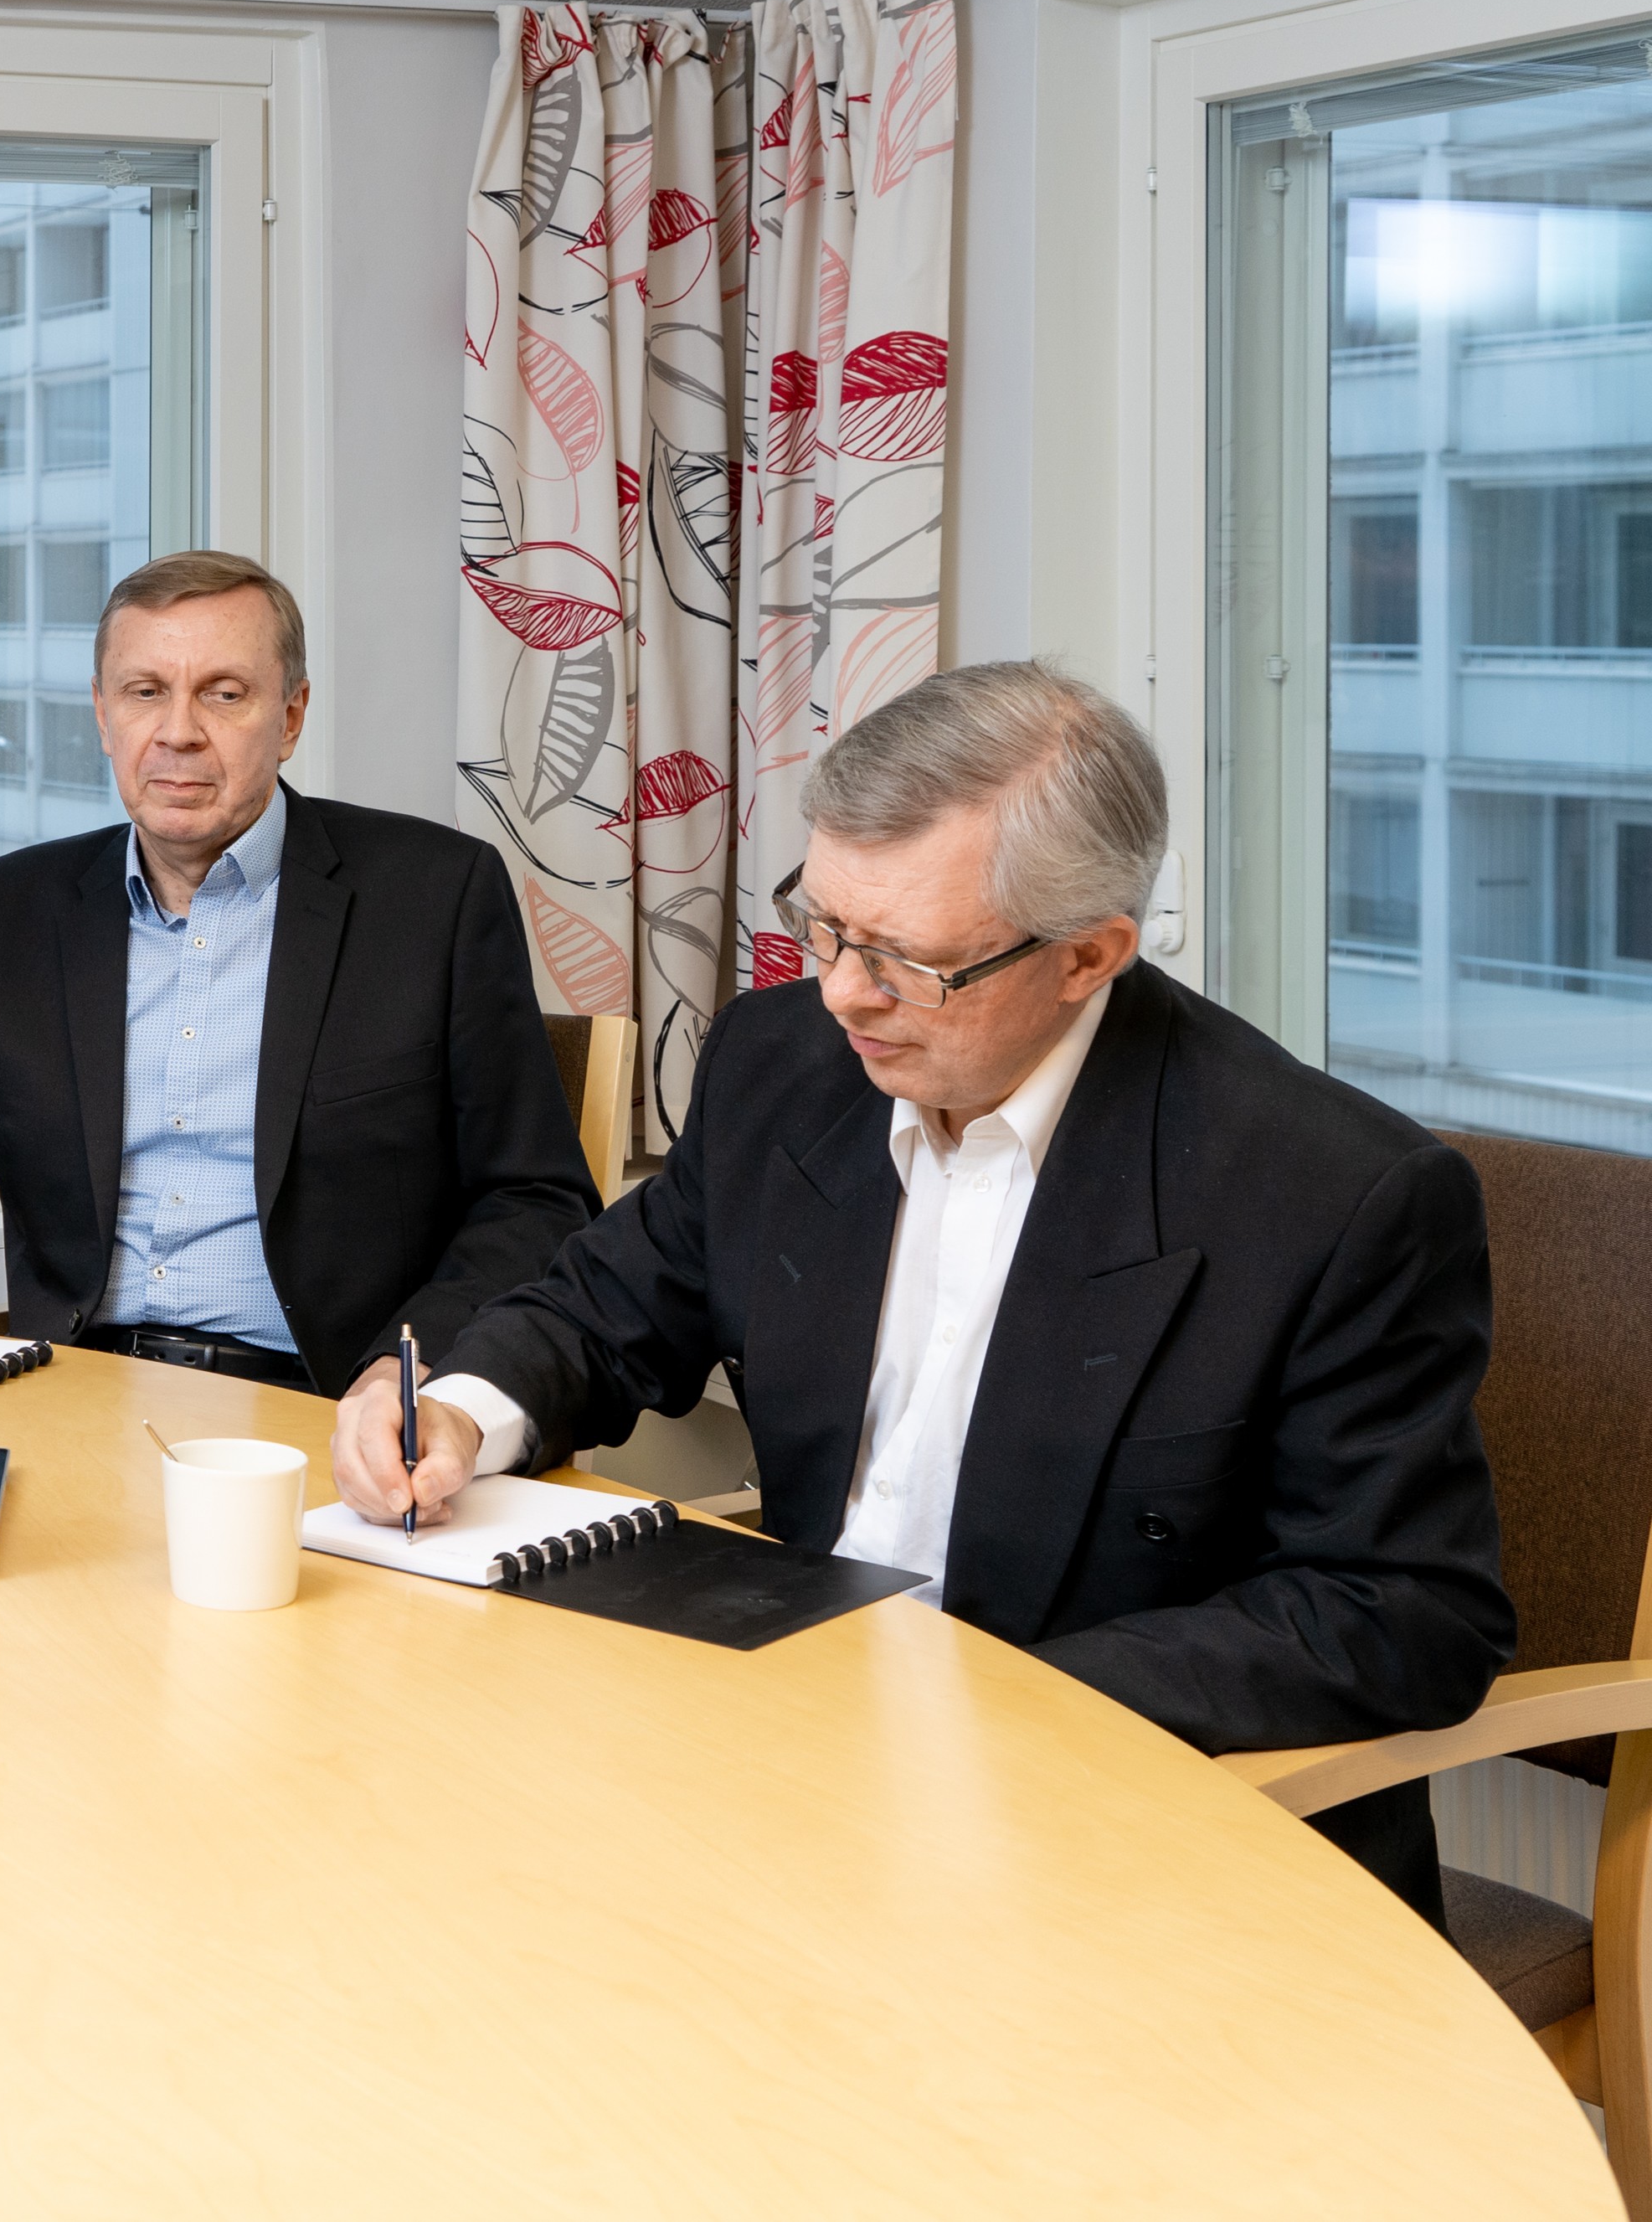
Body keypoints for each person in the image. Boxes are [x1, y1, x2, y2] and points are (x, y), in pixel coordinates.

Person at [331, 660, 1514, 1922]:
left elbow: (1400, 1610)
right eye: (826, 925)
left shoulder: (1331, 1192)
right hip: (801, 1759)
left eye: (907, 960)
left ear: (1089, 955)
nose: (843, 990)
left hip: (1126, 1824)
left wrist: (984, 1701)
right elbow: (605, 1304)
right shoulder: (784, 1060)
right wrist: (460, 1410)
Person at [0, 550, 600, 1397]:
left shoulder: (433, 899)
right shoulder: (10, 914)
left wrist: (405, 1367)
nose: (178, 732)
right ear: (103, 715)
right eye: (144, 692)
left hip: (325, 1402)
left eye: (224, 694)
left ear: (291, 716)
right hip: (72, 1389)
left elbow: (535, 1199)